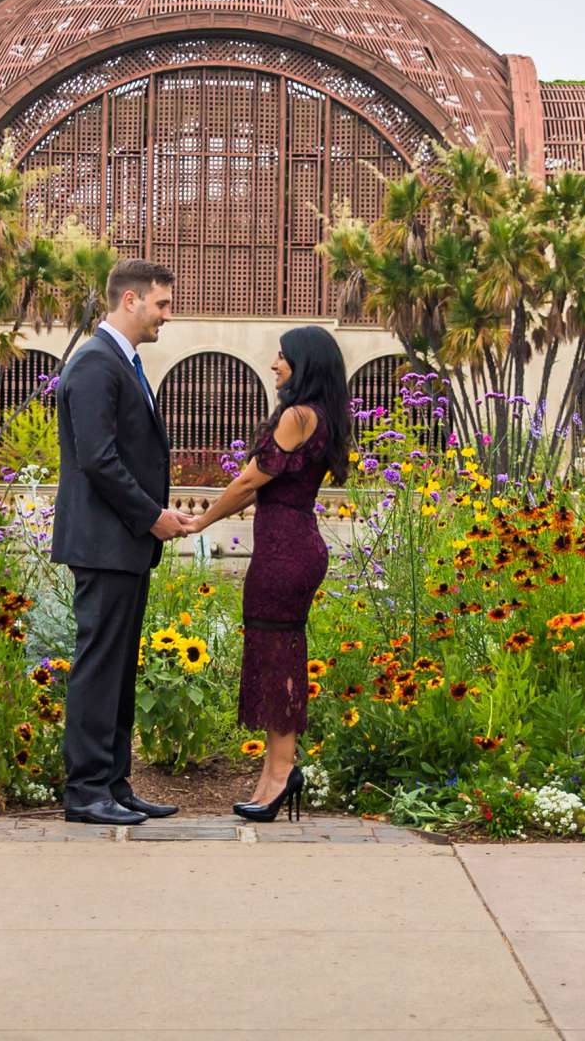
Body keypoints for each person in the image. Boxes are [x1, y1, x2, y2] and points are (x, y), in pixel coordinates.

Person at [180, 324, 349, 821]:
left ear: (304, 364)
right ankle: (274, 773)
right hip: (291, 546)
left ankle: (280, 775)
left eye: (282, 356)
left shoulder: (298, 416)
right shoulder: (317, 415)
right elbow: (259, 485)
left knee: (278, 658)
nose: (275, 364)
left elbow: (252, 479)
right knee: (278, 655)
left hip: (285, 552)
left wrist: (200, 521)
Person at [52, 257, 193, 826]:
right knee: (99, 665)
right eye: (161, 303)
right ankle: (86, 791)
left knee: (117, 666)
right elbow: (99, 460)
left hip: (123, 544)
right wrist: (152, 516)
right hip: (105, 542)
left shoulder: (123, 362)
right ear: (129, 300)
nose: (167, 315)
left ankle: (114, 782)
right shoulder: (94, 362)